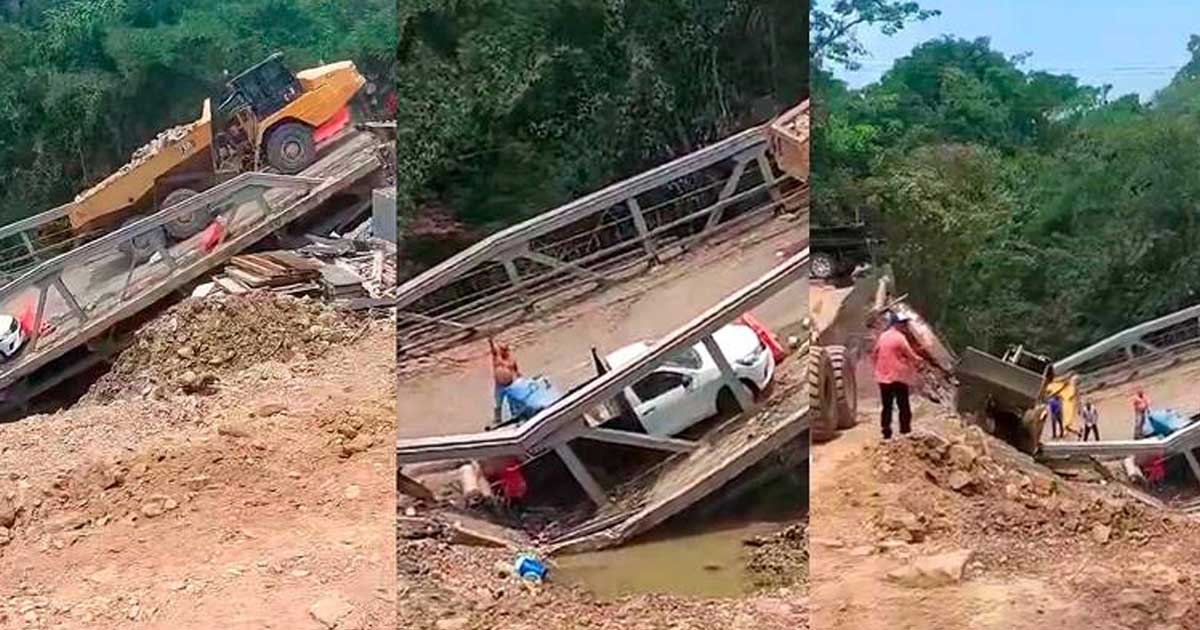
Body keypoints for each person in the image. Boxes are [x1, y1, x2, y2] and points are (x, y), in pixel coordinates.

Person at [871, 311, 926, 440]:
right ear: (897, 324)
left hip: (883, 378)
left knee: (887, 406)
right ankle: (905, 431)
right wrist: (919, 361)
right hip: (898, 377)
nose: (905, 326)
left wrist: (876, 369)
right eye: (903, 323)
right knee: (903, 405)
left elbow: (874, 354)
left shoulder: (883, 336)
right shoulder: (900, 337)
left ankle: (886, 432)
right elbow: (910, 354)